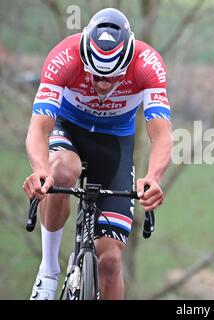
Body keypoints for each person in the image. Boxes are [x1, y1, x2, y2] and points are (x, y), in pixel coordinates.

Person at [22, 8, 173, 300]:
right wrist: (41, 169)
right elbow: (39, 128)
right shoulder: (63, 57)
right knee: (61, 173)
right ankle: (49, 270)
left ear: (127, 62)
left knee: (111, 261)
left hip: (114, 143)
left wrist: (153, 177)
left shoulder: (148, 64)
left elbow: (162, 133)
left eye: (111, 77)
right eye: (95, 75)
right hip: (70, 131)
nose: (102, 84)